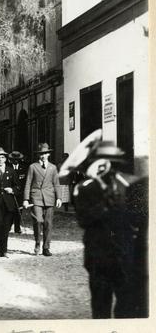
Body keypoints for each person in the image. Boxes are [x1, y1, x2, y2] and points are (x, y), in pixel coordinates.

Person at [61, 136, 147, 318]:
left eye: (112, 162)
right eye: (103, 162)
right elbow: (84, 219)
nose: (108, 166)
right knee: (100, 308)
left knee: (127, 308)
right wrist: (106, 203)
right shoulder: (86, 188)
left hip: (125, 255)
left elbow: (140, 219)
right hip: (98, 256)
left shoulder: (129, 185)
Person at [23, 143, 61, 256]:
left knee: (48, 223)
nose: (43, 156)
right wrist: (26, 199)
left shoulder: (53, 167)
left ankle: (46, 248)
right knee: (38, 220)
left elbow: (56, 184)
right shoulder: (33, 167)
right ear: (38, 155)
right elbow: (28, 183)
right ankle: (37, 243)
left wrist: (59, 197)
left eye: (45, 153)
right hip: (36, 197)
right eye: (41, 154)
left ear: (48, 154)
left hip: (49, 197)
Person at [8, 151, 27, 234]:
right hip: (10, 192)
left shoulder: (24, 168)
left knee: (19, 210)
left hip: (20, 193)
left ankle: (17, 227)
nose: (15, 161)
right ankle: (8, 226)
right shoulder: (8, 167)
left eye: (17, 159)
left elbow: (25, 181)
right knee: (9, 209)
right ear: (11, 160)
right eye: (13, 159)